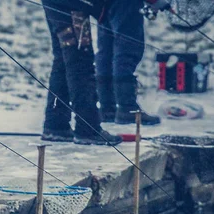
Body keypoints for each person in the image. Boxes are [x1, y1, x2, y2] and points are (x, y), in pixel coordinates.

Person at [41, 0, 123, 146]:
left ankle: (56, 125)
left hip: (58, 4)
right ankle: (88, 128)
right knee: (80, 61)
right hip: (73, 5)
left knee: (63, 59)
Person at [96, 0, 170, 125]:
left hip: (102, 5)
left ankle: (107, 108)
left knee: (106, 51)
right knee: (127, 49)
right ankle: (127, 108)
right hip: (126, 3)